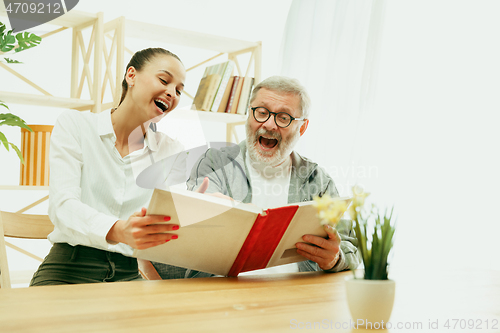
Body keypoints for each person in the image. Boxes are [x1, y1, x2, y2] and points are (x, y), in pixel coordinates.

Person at [151, 76, 360, 279]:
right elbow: (195, 233)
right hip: (225, 297)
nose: (269, 125)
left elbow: (351, 245)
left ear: (302, 127)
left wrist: (335, 258)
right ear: (249, 114)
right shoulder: (214, 163)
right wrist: (203, 213)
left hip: (296, 297)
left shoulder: (317, 180)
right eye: (261, 112)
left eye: (283, 118)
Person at [30, 48, 189, 286]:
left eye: (178, 90)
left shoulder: (171, 150)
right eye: (164, 80)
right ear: (131, 76)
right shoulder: (76, 125)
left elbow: (172, 226)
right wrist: (120, 230)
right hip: (68, 270)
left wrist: (201, 209)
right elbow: (62, 207)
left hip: (129, 274)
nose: (171, 93)